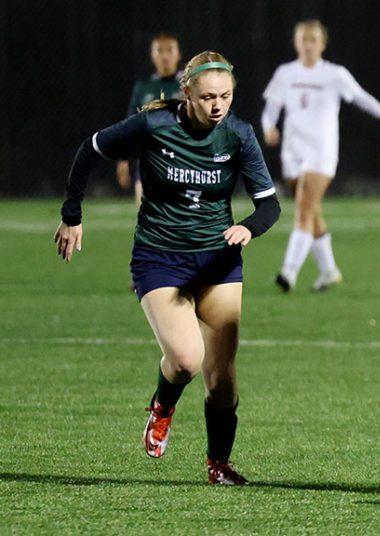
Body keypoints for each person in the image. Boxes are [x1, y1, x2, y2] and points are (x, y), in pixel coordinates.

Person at [54, 51, 281, 485]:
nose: (218, 105)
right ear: (187, 94)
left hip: (218, 262)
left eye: (226, 96)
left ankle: (219, 465)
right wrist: (72, 214)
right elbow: (91, 150)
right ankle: (162, 407)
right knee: (184, 360)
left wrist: (249, 228)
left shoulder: (237, 134)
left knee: (223, 382)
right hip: (160, 258)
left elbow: (269, 204)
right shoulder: (152, 126)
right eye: (208, 96)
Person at [261, 19, 380, 292]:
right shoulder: (285, 73)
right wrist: (269, 127)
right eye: (304, 39)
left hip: (322, 152)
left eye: (313, 40)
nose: (308, 45)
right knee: (310, 210)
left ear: (322, 44)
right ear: (296, 43)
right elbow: (272, 106)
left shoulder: (335, 74)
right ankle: (329, 271)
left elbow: (361, 97)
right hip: (292, 151)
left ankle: (288, 273)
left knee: (304, 208)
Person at [116, 32, 183, 207]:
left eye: (170, 50)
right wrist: (123, 158)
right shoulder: (143, 87)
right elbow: (129, 124)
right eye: (159, 51)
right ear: (152, 55)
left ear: (178, 54)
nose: (165, 56)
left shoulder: (189, 85)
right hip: (149, 161)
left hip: (183, 161)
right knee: (147, 218)